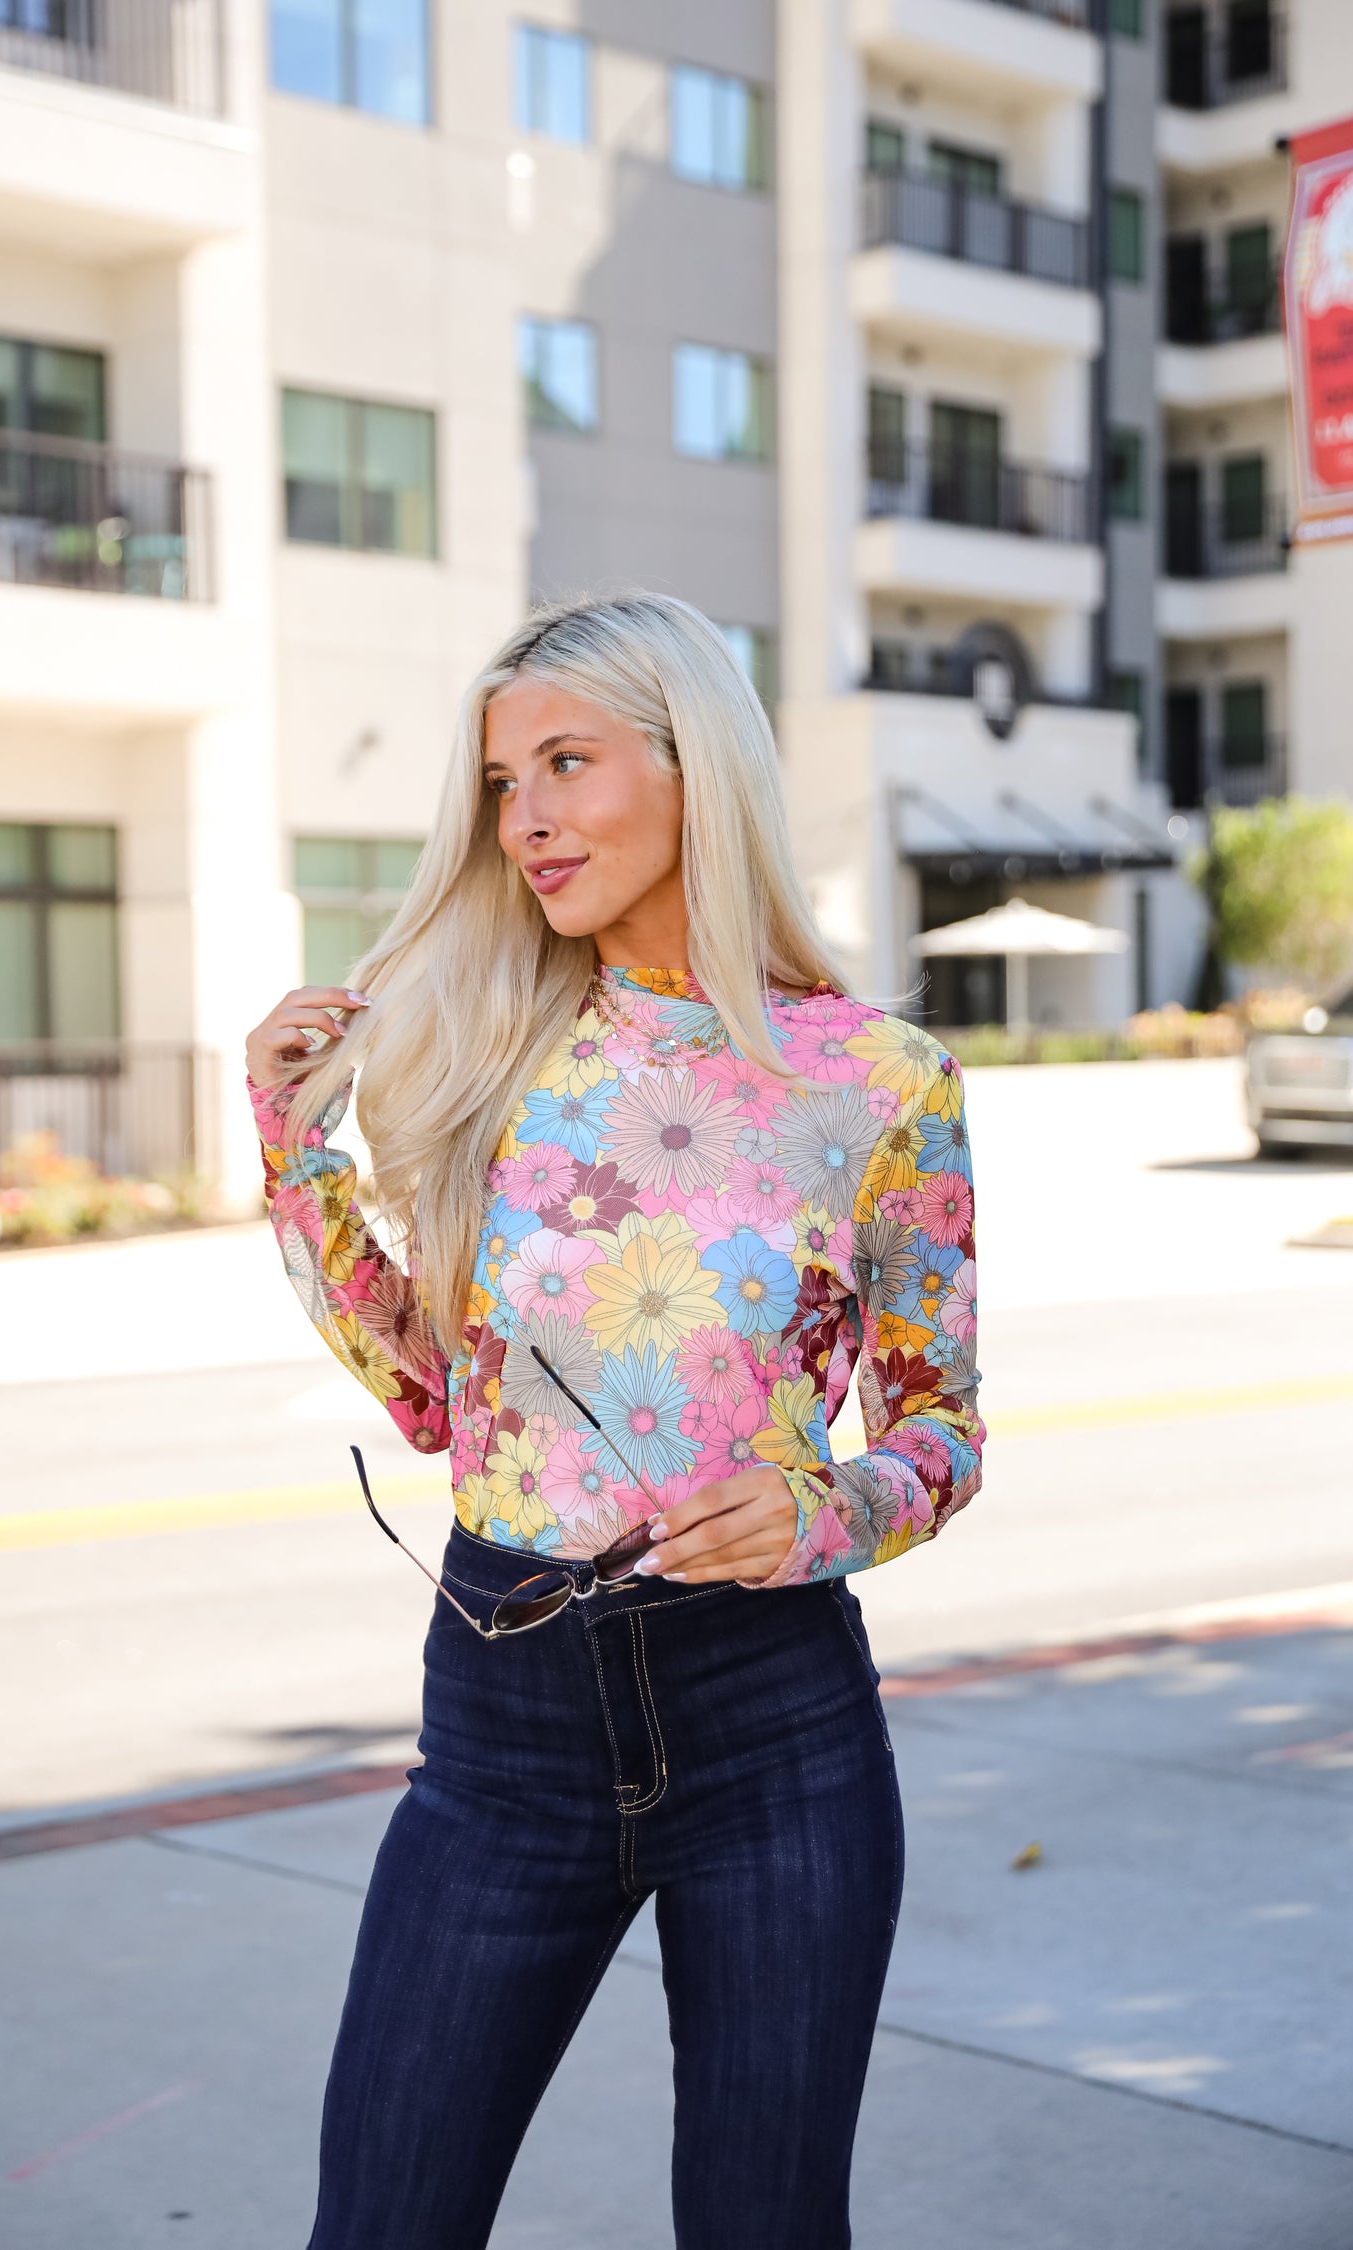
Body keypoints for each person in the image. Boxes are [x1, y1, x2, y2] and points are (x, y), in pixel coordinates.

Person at [245, 591, 984, 2250]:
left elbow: (943, 1429)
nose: (527, 820)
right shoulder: (490, 1049)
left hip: (774, 1725)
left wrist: (826, 1509)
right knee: (382, 2220)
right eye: (505, 783)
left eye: (565, 763)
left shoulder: (881, 1080)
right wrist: (297, 1156)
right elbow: (435, 1396)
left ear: (691, 762)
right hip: (507, 1728)